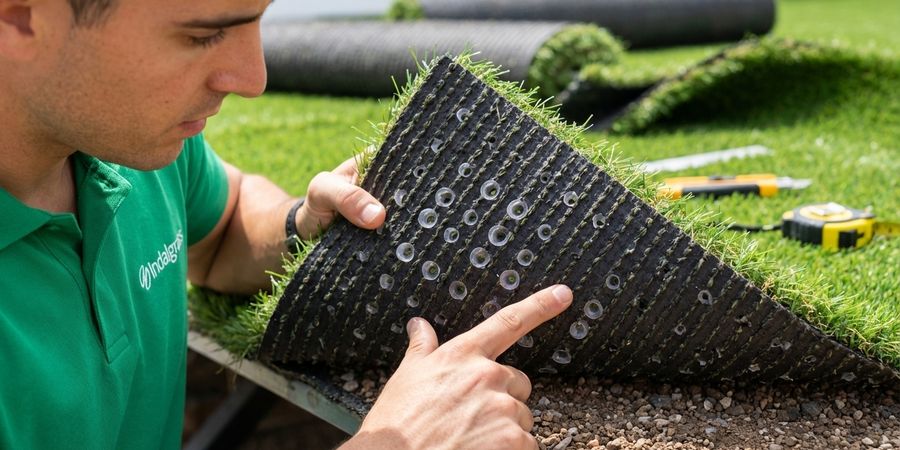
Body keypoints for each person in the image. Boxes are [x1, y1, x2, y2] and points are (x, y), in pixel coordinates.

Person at [0, 0, 573, 448]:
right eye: (202, 35)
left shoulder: (126, 147)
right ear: (20, 18)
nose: (254, 78)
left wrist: (302, 224)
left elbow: (223, 229)